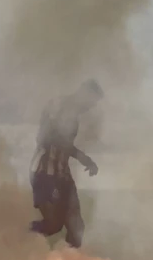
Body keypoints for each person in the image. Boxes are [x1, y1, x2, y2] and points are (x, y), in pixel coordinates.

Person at [29, 79, 103, 248]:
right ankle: (16, 233)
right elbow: (50, 138)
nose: (91, 107)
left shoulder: (71, 112)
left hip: (62, 173)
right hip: (45, 172)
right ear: (84, 93)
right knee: (53, 224)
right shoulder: (60, 107)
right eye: (92, 102)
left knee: (76, 226)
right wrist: (84, 158)